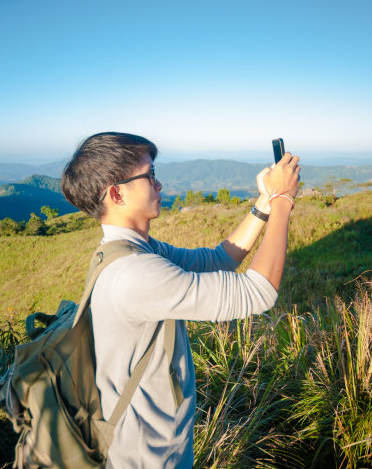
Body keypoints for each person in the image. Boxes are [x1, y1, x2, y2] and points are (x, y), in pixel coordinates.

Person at [60, 132, 300, 468]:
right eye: (150, 176)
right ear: (116, 194)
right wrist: (284, 202)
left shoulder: (132, 251)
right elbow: (257, 292)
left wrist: (264, 203)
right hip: (146, 456)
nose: (159, 185)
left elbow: (216, 260)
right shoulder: (134, 274)